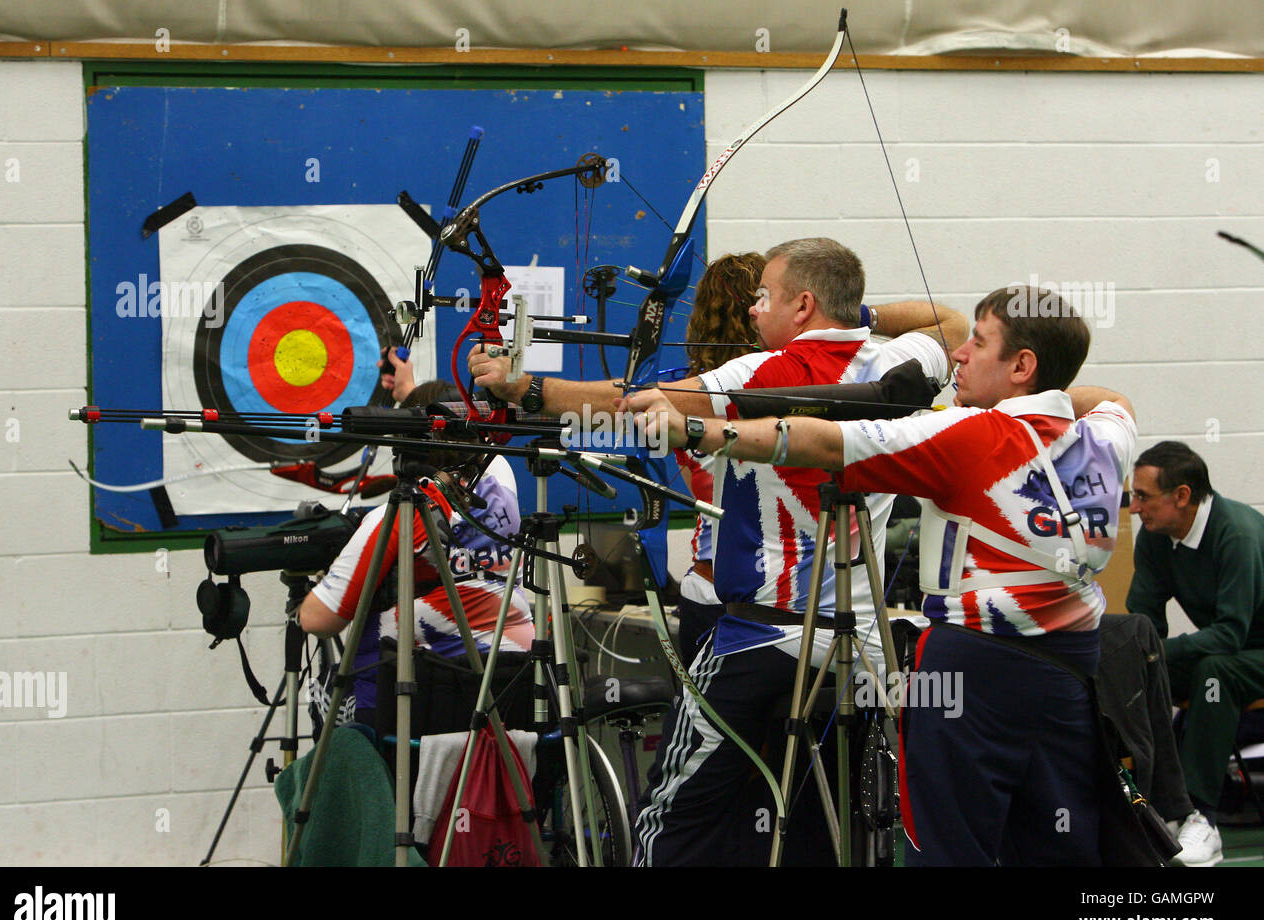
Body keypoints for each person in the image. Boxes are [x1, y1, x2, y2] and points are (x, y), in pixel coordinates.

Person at [470, 237, 968, 865]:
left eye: (765, 298)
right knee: (823, 825)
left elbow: (631, 406)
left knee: (673, 817)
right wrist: (862, 319)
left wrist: (523, 389)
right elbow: (950, 321)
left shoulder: (760, 373)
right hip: (858, 651)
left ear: (804, 305)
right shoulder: (893, 366)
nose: (754, 312)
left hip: (759, 643)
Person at [626, 283, 1138, 866]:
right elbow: (1112, 396)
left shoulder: (968, 436)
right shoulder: (1108, 433)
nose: (962, 354)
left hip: (974, 672)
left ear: (1023, 365)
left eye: (980, 342)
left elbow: (820, 439)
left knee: (949, 847)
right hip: (1072, 672)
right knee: (1057, 844)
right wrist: (1045, 398)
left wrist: (698, 431)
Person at [298, 352, 534, 731]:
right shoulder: (499, 474)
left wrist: (305, 591)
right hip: (505, 690)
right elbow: (449, 439)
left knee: (324, 698)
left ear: (405, 452)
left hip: (418, 708)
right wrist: (411, 394)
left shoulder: (397, 520)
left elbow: (317, 619)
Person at [1126, 440, 1264, 866]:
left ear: (1181, 496)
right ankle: (1159, 807)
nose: (1133, 508)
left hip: (1244, 653)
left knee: (1213, 673)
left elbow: (1229, 635)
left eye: (1143, 497)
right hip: (1232, 654)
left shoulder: (1236, 534)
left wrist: (1158, 652)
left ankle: (1201, 815)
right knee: (1138, 666)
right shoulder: (1156, 536)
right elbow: (1142, 624)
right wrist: (1139, 657)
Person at [674, 251, 765, 670]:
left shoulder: (681, 398)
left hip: (706, 585)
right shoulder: (780, 390)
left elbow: (697, 483)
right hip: (759, 596)